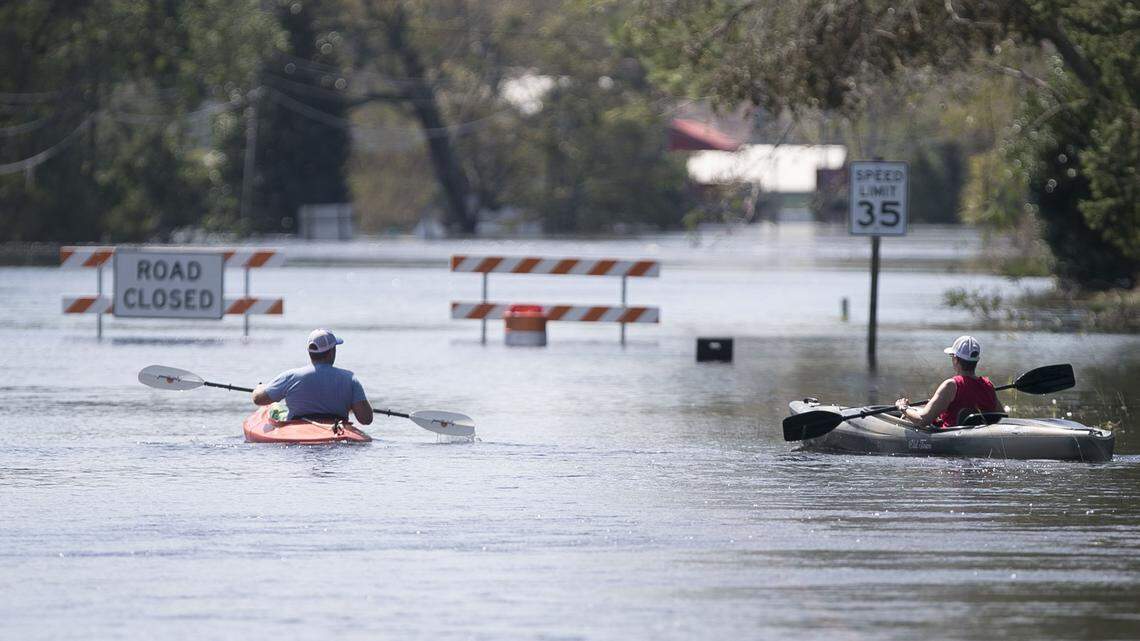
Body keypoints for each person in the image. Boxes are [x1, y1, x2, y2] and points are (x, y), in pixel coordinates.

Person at [252, 328, 373, 425]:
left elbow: (258, 400)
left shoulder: (292, 376)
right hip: (336, 427)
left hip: (297, 428)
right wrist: (351, 404)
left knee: (273, 406)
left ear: (310, 352)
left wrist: (260, 388)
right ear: (332, 351)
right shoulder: (350, 379)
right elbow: (366, 419)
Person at [895, 335, 1000, 428]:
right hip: (980, 438)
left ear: (955, 359)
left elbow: (922, 420)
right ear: (977, 360)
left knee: (908, 416)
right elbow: (1000, 416)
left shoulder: (951, 385)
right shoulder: (988, 385)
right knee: (920, 410)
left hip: (953, 440)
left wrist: (903, 407)